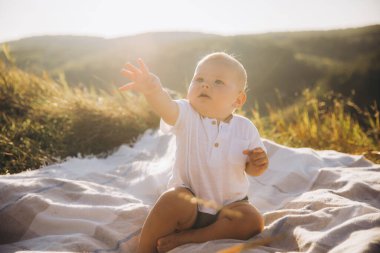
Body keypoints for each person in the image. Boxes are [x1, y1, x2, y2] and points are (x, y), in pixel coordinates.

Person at [119, 52, 269, 253]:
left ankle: (189, 238)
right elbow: (167, 108)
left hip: (230, 207)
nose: (205, 85)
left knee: (253, 220)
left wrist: (258, 163)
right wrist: (153, 91)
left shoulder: (246, 128)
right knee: (171, 200)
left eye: (218, 82)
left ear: (238, 99)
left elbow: (253, 169)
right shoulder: (187, 114)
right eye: (199, 79)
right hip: (189, 204)